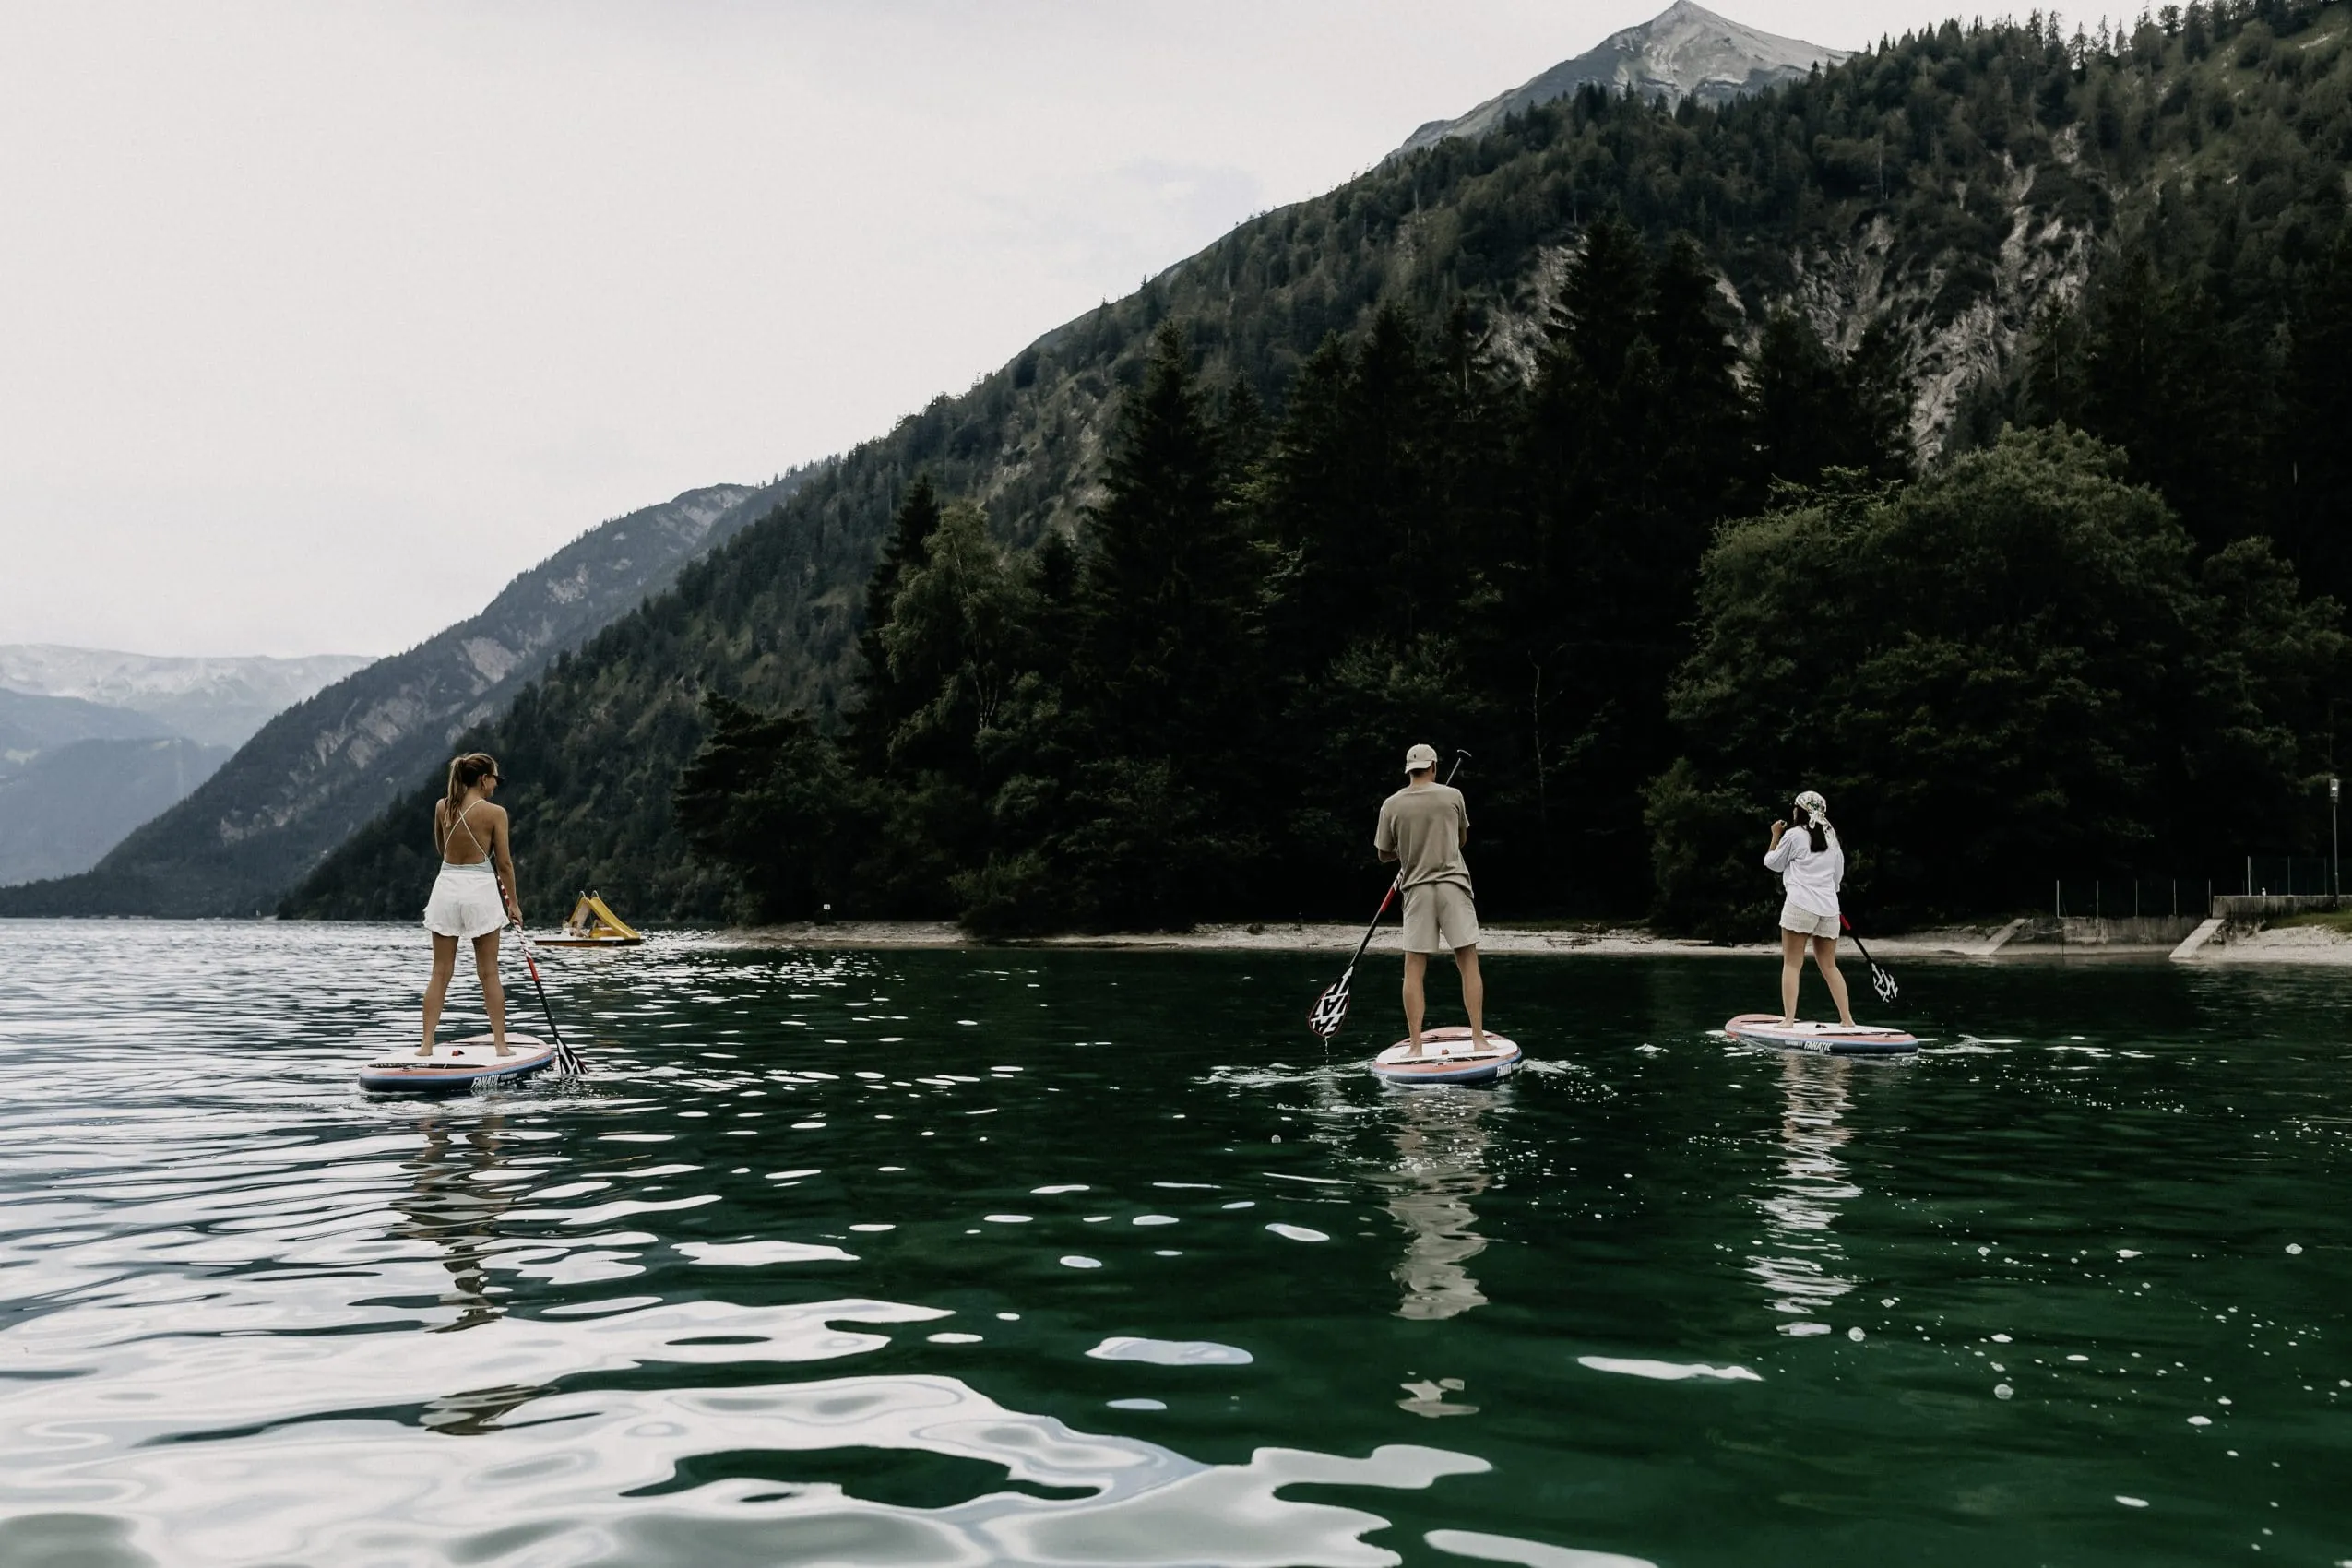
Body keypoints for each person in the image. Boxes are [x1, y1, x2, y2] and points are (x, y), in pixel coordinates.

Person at [1374, 742, 1486, 1057]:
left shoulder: (1391, 805)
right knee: (1468, 962)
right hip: (1454, 886)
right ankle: (1478, 1039)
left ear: (1409, 770)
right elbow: (1461, 839)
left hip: (1417, 891)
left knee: (1413, 969)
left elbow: (1384, 853)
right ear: (1434, 767)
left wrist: (1408, 852)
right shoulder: (1454, 797)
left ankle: (1415, 1046)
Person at [419, 752, 521, 1057]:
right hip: (480, 889)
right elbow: (503, 863)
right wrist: (513, 904)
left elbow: (442, 849)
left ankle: (426, 1045)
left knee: (440, 972)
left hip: (446, 888)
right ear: (483, 779)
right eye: (496, 780)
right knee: (489, 972)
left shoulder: (442, 807)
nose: (496, 786)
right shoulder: (495, 813)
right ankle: (501, 1045)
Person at [1764, 788, 1855, 1027]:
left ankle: (1789, 1020)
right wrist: (1829, 894)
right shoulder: (1831, 837)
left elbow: (1772, 863)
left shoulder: (1794, 835)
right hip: (1828, 908)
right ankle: (1847, 1020)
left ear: (1800, 811)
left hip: (1800, 905)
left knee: (1792, 964)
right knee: (1829, 966)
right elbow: (1838, 875)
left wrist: (1775, 835)